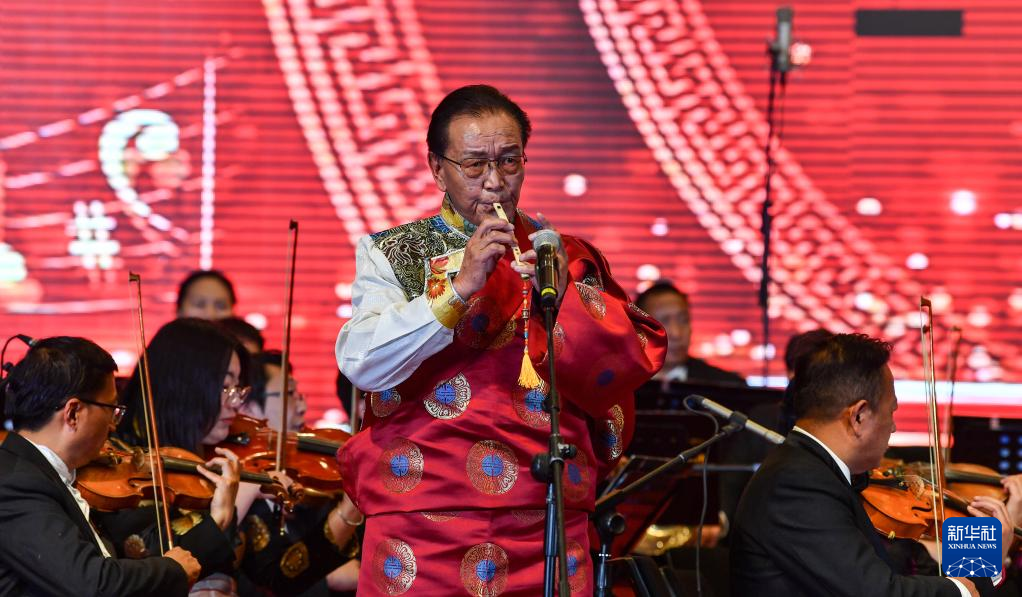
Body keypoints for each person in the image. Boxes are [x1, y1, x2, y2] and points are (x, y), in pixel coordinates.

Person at [335, 84, 666, 595]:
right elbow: (362, 362)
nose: (494, 182)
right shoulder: (396, 252)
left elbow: (617, 384)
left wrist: (569, 302)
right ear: (437, 168)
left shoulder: (566, 256)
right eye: (474, 165)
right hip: (421, 525)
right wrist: (458, 289)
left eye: (509, 161)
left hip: (547, 520)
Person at [730, 333, 1014, 597]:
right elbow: (879, 591)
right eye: (891, 411)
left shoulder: (827, 475)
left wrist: (986, 560)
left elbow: (913, 569)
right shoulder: (797, 484)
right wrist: (965, 589)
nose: (893, 427)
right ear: (859, 416)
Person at [0, 336, 200, 596]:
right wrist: (172, 569)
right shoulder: (15, 482)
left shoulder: (40, 474)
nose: (114, 425)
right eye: (111, 409)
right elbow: (91, 583)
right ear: (73, 413)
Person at [98, 318, 245, 594]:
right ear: (185, 386)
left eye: (238, 389)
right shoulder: (119, 461)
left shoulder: (200, 458)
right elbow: (143, 555)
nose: (235, 402)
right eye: (225, 387)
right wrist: (219, 519)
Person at [236, 350, 361, 596]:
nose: (302, 406)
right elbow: (273, 580)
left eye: (299, 394)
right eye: (289, 395)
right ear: (248, 407)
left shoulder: (305, 481)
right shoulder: (241, 484)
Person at [635, 281, 744, 385]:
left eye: (683, 320)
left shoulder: (727, 386)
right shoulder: (626, 384)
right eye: (663, 322)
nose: (676, 333)